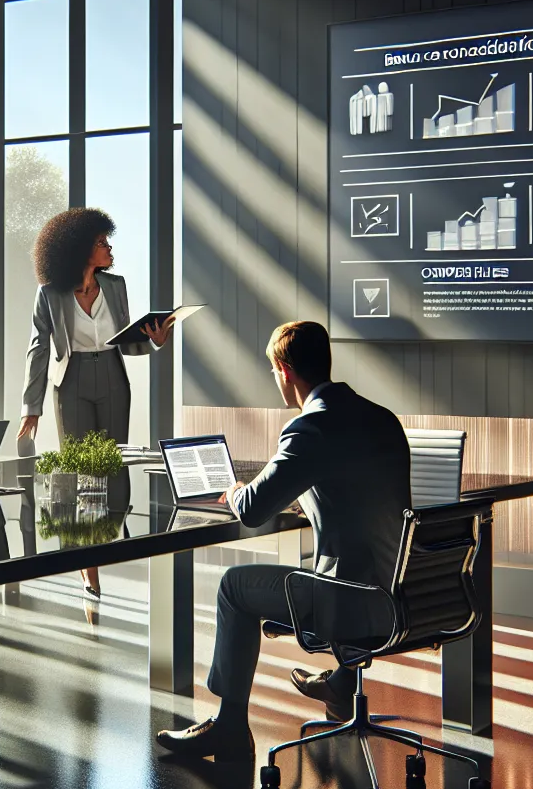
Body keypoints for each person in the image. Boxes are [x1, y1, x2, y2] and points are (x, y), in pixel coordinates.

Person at [155, 321, 410, 760]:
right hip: (400, 592)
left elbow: (253, 508)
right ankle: (340, 685)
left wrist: (235, 490)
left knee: (234, 587)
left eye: (274, 372)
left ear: (284, 370)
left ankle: (230, 726)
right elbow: (353, 491)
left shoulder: (309, 428)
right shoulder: (381, 418)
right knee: (347, 562)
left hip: (349, 600)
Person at [16, 207, 173, 595]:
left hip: (113, 376)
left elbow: (129, 341)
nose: (109, 248)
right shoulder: (50, 293)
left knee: (114, 466)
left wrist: (154, 341)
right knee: (80, 470)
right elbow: (38, 350)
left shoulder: (115, 285)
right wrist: (30, 407)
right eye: (102, 243)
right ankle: (83, 558)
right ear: (80, 249)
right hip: (72, 381)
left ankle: (104, 542)